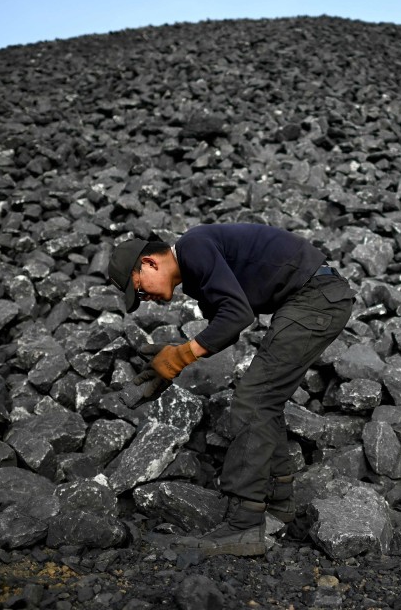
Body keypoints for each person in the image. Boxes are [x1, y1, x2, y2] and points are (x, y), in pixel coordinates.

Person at [108, 223, 355, 556]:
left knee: (254, 399)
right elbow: (226, 330)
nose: (144, 298)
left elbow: (237, 316)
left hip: (316, 297)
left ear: (151, 262)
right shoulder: (197, 276)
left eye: (139, 288)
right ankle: (279, 503)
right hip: (315, 297)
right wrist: (171, 363)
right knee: (264, 400)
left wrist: (181, 356)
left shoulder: (193, 246)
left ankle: (244, 525)